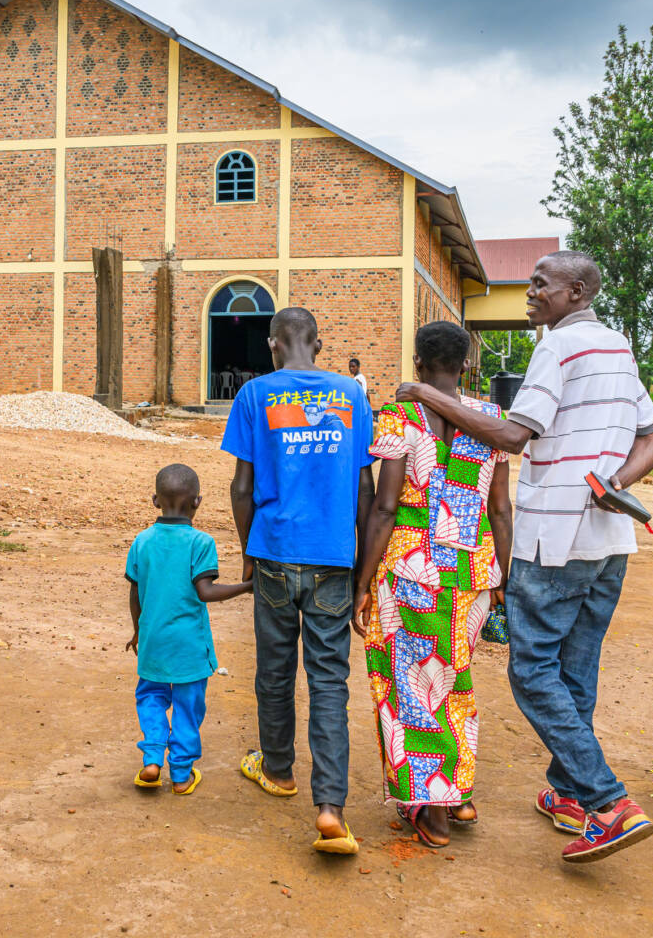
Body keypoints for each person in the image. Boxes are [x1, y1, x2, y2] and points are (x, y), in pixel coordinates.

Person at [395, 250, 653, 864]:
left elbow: (515, 436)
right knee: (577, 668)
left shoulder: (558, 347)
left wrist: (424, 395)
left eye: (541, 285)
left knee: (531, 671)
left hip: (553, 538)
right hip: (608, 542)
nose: (531, 293)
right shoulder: (618, 348)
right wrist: (616, 485)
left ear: (576, 291)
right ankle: (568, 794)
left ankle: (608, 801)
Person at [351, 321, 512, 849]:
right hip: (471, 571)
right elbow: (501, 509)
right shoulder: (493, 421)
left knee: (411, 690)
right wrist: (502, 577)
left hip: (412, 569)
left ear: (418, 364)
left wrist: (362, 581)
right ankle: (458, 792)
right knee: (453, 681)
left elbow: (386, 505)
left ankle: (435, 810)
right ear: (467, 364)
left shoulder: (401, 416)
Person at [222, 306, 374, 855]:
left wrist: (246, 551)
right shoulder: (352, 396)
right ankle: (330, 807)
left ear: (272, 345)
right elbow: (366, 491)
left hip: (275, 553)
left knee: (275, 668)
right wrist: (363, 567)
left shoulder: (256, 396)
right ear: (316, 342)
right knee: (330, 679)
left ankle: (279, 770)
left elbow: (242, 487)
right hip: (334, 558)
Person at [125, 463, 252, 795]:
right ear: (198, 502)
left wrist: (138, 631)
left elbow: (134, 592)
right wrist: (246, 586)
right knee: (188, 706)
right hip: (190, 647)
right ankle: (181, 775)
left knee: (150, 696)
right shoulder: (201, 542)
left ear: (155, 500)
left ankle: (152, 759)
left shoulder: (142, 541)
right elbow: (206, 592)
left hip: (153, 639)